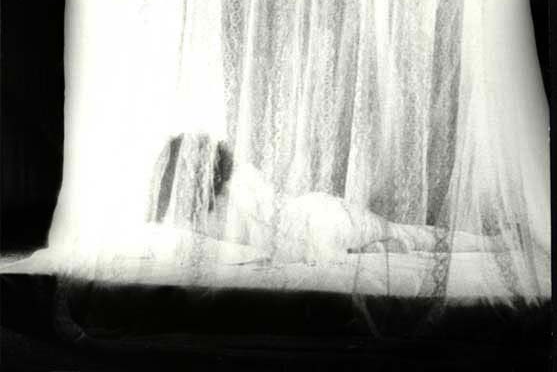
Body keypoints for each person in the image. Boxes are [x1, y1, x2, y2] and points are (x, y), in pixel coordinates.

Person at [147, 133, 518, 264]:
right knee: (405, 235)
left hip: (321, 222)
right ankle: (491, 243)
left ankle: (492, 244)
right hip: (319, 220)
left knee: (407, 235)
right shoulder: (214, 203)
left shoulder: (226, 194)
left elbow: (274, 227)